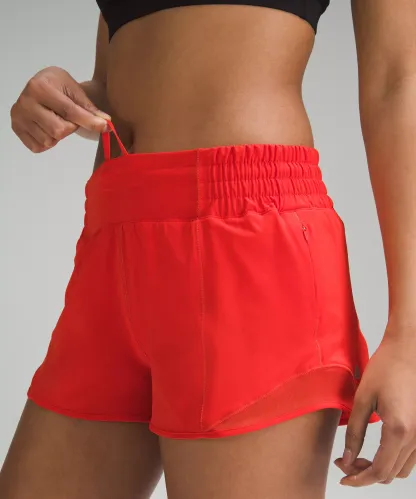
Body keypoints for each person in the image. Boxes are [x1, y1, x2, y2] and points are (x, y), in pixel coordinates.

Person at [1, 1, 416, 498]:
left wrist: (409, 336)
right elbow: (122, 76)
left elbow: (398, 79)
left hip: (247, 242)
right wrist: (67, 98)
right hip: (113, 239)